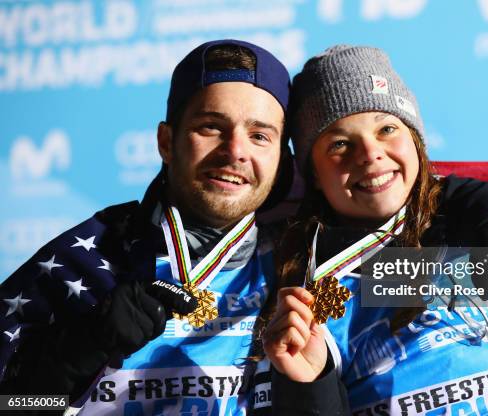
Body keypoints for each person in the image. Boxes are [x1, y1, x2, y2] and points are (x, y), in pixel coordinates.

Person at [262, 44, 488, 415]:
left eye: (387, 128)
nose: (369, 153)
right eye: (340, 144)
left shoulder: (484, 238)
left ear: (415, 139)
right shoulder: (302, 285)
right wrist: (310, 384)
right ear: (312, 173)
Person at [0, 39, 297, 415]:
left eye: (259, 136)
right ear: (166, 142)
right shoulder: (79, 261)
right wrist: (72, 355)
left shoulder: (298, 270)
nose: (235, 150)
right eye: (210, 126)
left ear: (280, 160)